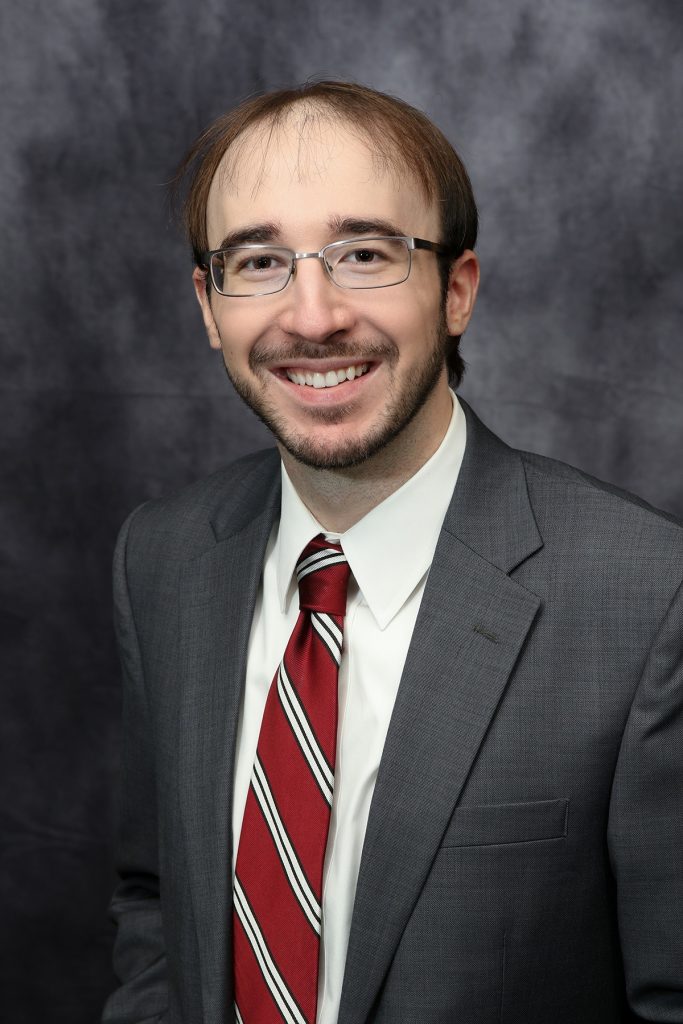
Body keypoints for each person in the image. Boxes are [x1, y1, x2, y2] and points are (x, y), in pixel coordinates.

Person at [102, 81, 683, 1024]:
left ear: (455, 291)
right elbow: (155, 902)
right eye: (258, 263)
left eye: (365, 254)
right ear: (209, 307)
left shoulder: (651, 597)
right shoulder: (162, 560)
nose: (314, 315)